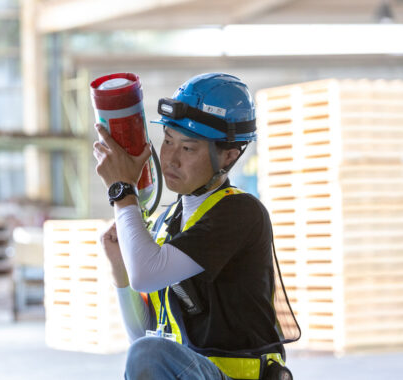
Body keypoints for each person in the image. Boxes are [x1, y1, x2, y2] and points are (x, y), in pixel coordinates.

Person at [92, 73, 298, 380]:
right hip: (194, 373)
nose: (171, 159)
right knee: (148, 349)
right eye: (168, 141)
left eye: (188, 148)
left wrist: (123, 191)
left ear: (229, 155)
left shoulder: (239, 212)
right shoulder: (169, 222)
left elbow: (146, 276)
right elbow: (145, 334)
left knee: (148, 351)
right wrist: (120, 269)